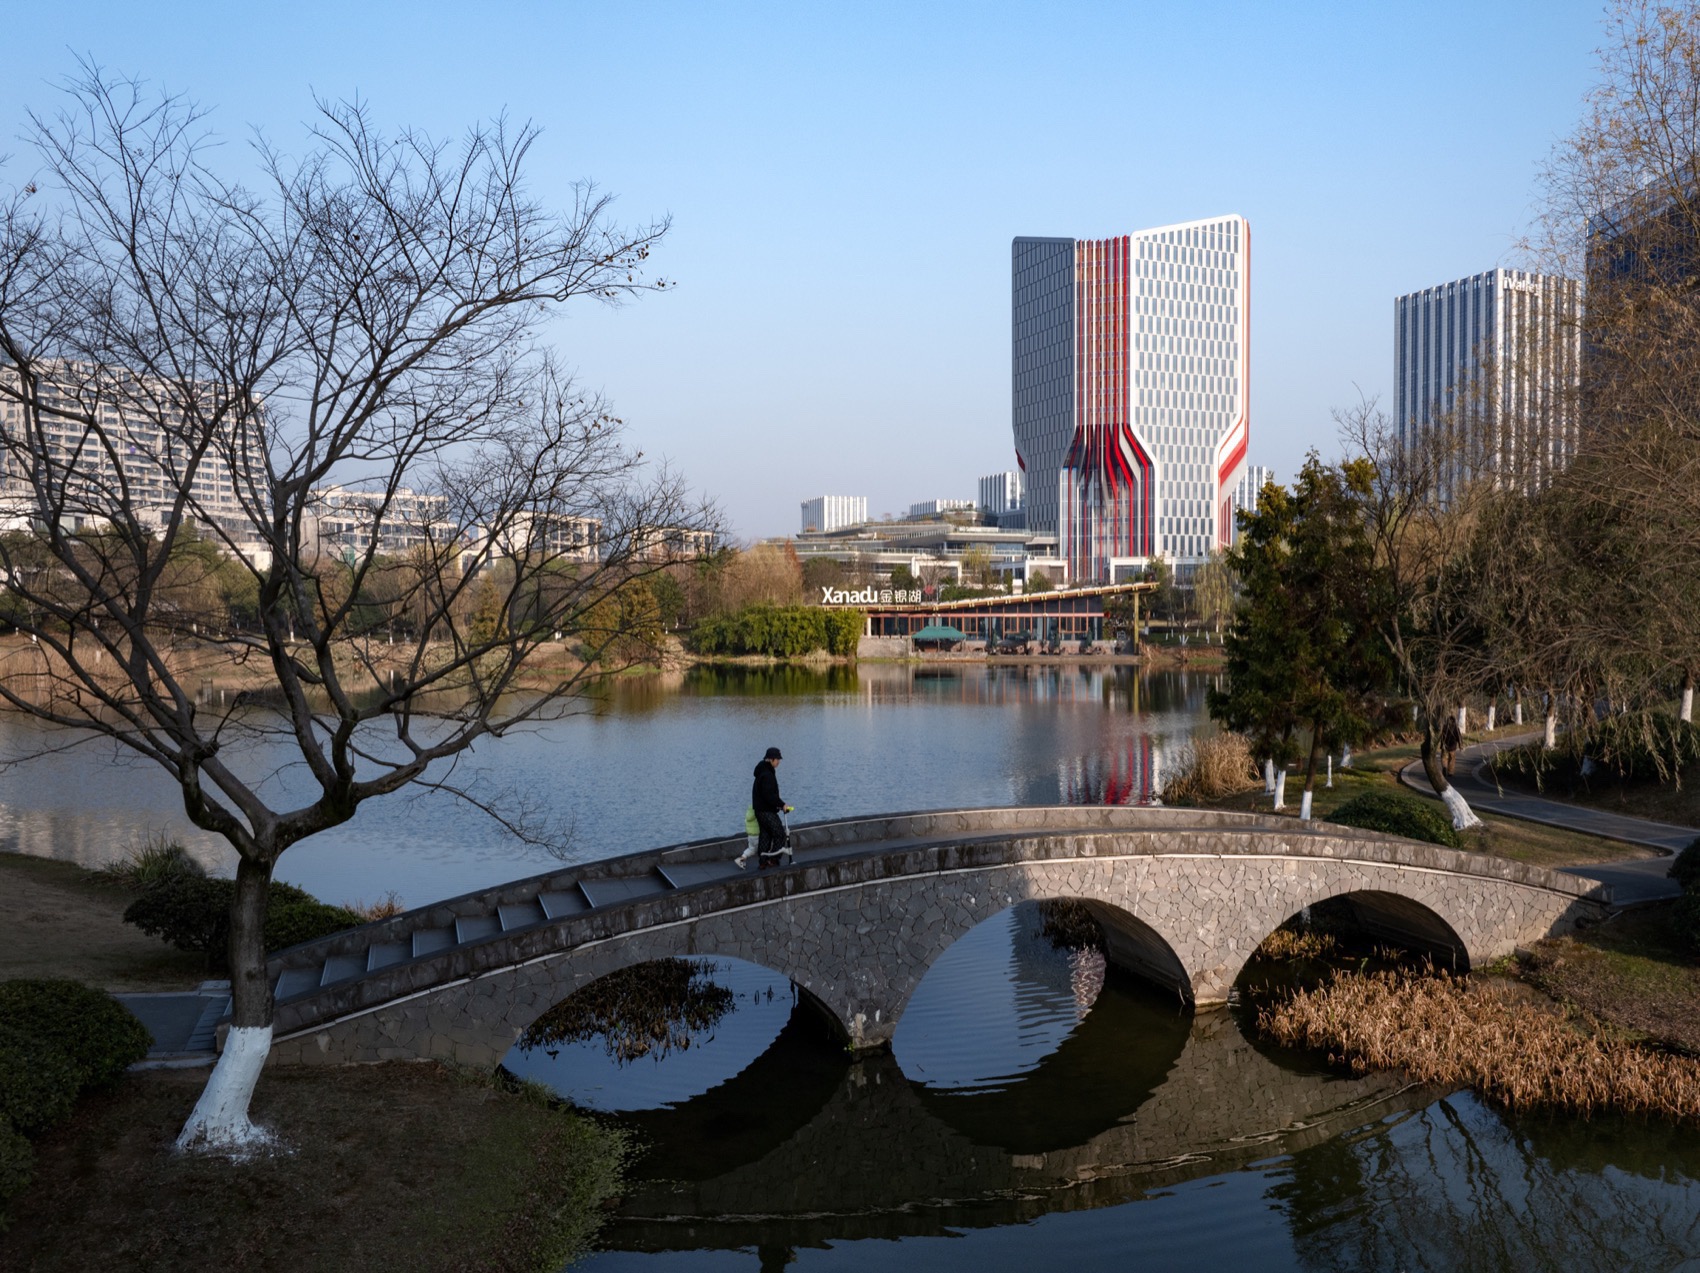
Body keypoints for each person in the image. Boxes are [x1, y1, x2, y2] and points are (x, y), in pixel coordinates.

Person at [745, 745, 793, 869]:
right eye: (777, 759)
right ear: (771, 759)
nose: (779, 762)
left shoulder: (762, 770)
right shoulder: (767, 774)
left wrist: (778, 804)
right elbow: (769, 795)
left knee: (765, 835)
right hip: (766, 811)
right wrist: (782, 805)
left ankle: (763, 862)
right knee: (779, 834)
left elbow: (767, 795)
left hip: (759, 810)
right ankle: (774, 859)